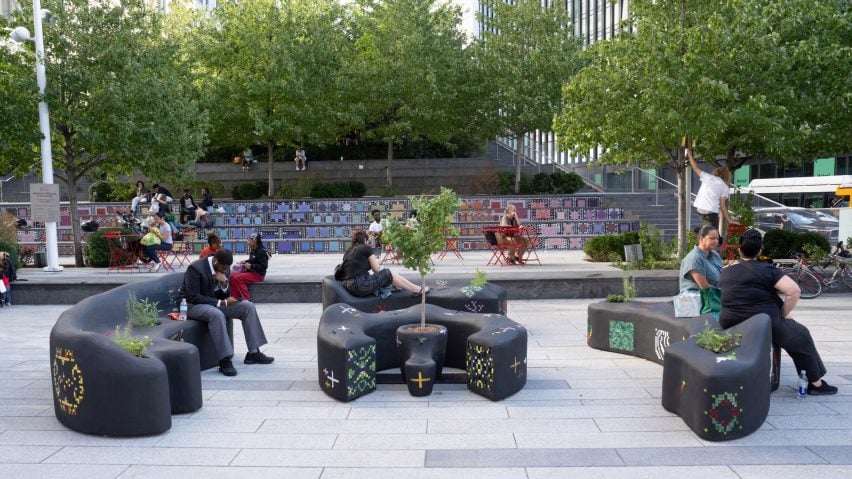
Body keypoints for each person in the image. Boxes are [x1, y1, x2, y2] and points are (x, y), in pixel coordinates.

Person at [719, 229, 837, 395]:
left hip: (729, 321)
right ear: (760, 250)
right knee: (801, 335)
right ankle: (815, 384)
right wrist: (783, 312)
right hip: (762, 322)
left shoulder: (726, 270)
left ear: (739, 249)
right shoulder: (767, 269)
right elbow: (794, 291)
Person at [180, 249, 274, 376]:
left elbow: (225, 294)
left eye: (227, 268)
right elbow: (193, 296)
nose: (225, 270)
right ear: (215, 261)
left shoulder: (225, 267)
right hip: (193, 305)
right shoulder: (195, 269)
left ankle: (253, 353)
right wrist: (222, 302)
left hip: (214, 303)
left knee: (248, 307)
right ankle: (225, 359)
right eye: (223, 267)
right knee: (217, 314)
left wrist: (224, 283)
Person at [337, 230, 425, 297]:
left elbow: (355, 266)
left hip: (348, 285)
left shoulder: (349, 251)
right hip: (360, 286)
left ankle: (415, 288)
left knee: (388, 274)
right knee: (387, 273)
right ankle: (417, 289)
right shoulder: (366, 248)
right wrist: (377, 262)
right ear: (365, 240)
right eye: (368, 240)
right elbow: (376, 269)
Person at [687, 148, 732, 237]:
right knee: (715, 234)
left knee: (712, 231)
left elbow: (695, 167)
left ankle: (702, 231)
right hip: (710, 212)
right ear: (726, 176)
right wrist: (729, 220)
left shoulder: (707, 177)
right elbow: (722, 206)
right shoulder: (724, 187)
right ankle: (701, 231)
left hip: (699, 209)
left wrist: (689, 154)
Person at [679, 224, 723, 291]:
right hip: (698, 298)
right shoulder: (695, 258)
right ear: (701, 239)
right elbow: (705, 287)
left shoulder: (715, 255)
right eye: (712, 238)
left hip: (716, 295)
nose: (716, 241)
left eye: (717, 239)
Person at [229, 233, 269, 301]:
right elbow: (252, 260)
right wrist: (245, 261)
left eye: (249, 240)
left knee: (238, 278)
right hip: (251, 272)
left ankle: (246, 298)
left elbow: (264, 266)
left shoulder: (261, 251)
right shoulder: (253, 249)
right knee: (231, 275)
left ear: (255, 241)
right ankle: (235, 297)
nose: (248, 242)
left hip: (258, 275)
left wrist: (251, 266)